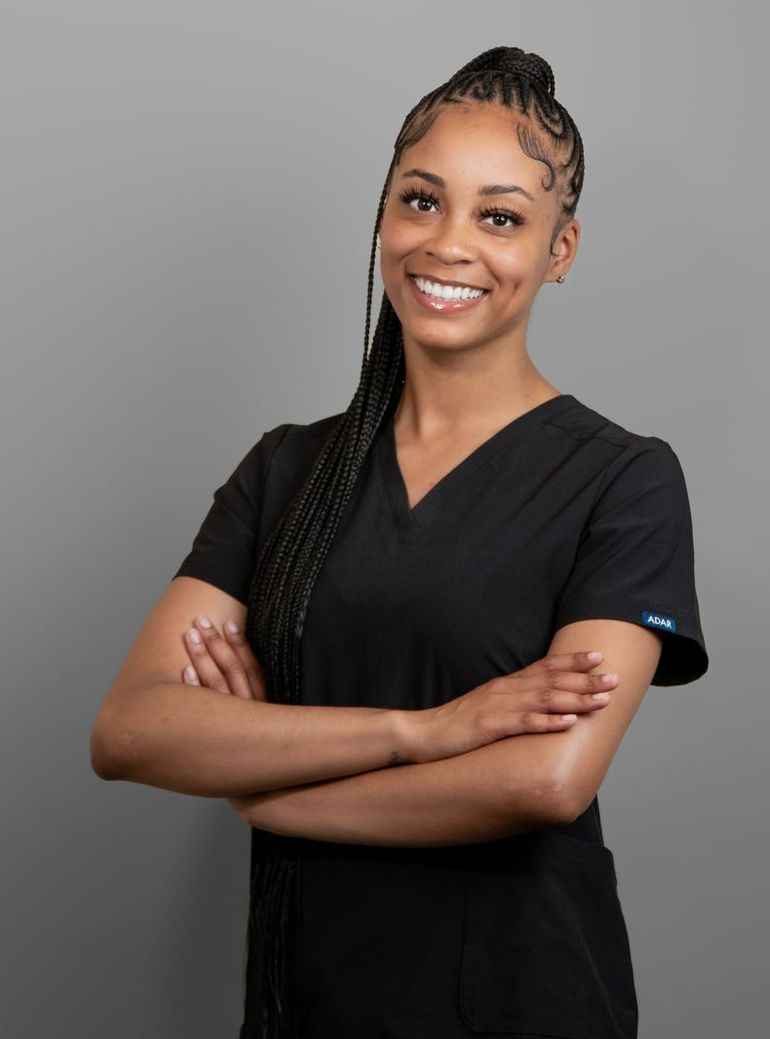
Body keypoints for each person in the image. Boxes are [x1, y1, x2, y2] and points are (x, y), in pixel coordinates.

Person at [90, 46, 709, 1039]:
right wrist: (424, 731)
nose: (448, 243)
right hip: (304, 1005)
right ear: (383, 217)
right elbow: (129, 731)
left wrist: (267, 791)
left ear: (560, 249)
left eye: (499, 215)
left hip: (521, 1005)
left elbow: (544, 779)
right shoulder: (285, 469)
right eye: (420, 200)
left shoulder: (620, 479)